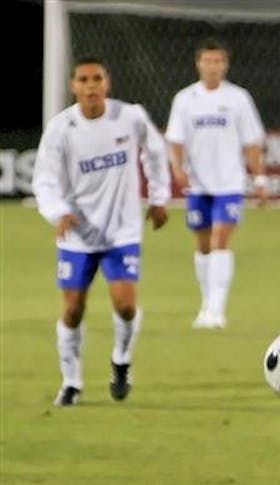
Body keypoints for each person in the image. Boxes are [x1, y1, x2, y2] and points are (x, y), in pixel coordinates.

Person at [31, 56, 170, 407]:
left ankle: (121, 361)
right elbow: (43, 180)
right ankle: (72, 382)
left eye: (97, 78)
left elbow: (154, 152)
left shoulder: (130, 116)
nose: (91, 85)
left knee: (125, 306)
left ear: (107, 83)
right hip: (78, 234)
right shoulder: (61, 129)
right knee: (73, 309)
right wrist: (57, 212)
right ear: (73, 86)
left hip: (122, 232)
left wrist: (158, 197)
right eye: (83, 79)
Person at [165, 37, 267, 330]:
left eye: (218, 61)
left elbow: (251, 143)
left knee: (220, 240)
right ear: (198, 64)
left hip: (229, 184)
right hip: (198, 185)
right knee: (202, 244)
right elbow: (176, 139)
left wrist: (259, 178)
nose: (212, 67)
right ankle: (205, 304)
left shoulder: (238, 99)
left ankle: (217, 309)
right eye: (207, 61)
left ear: (226, 64)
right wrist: (177, 168)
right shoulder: (185, 99)